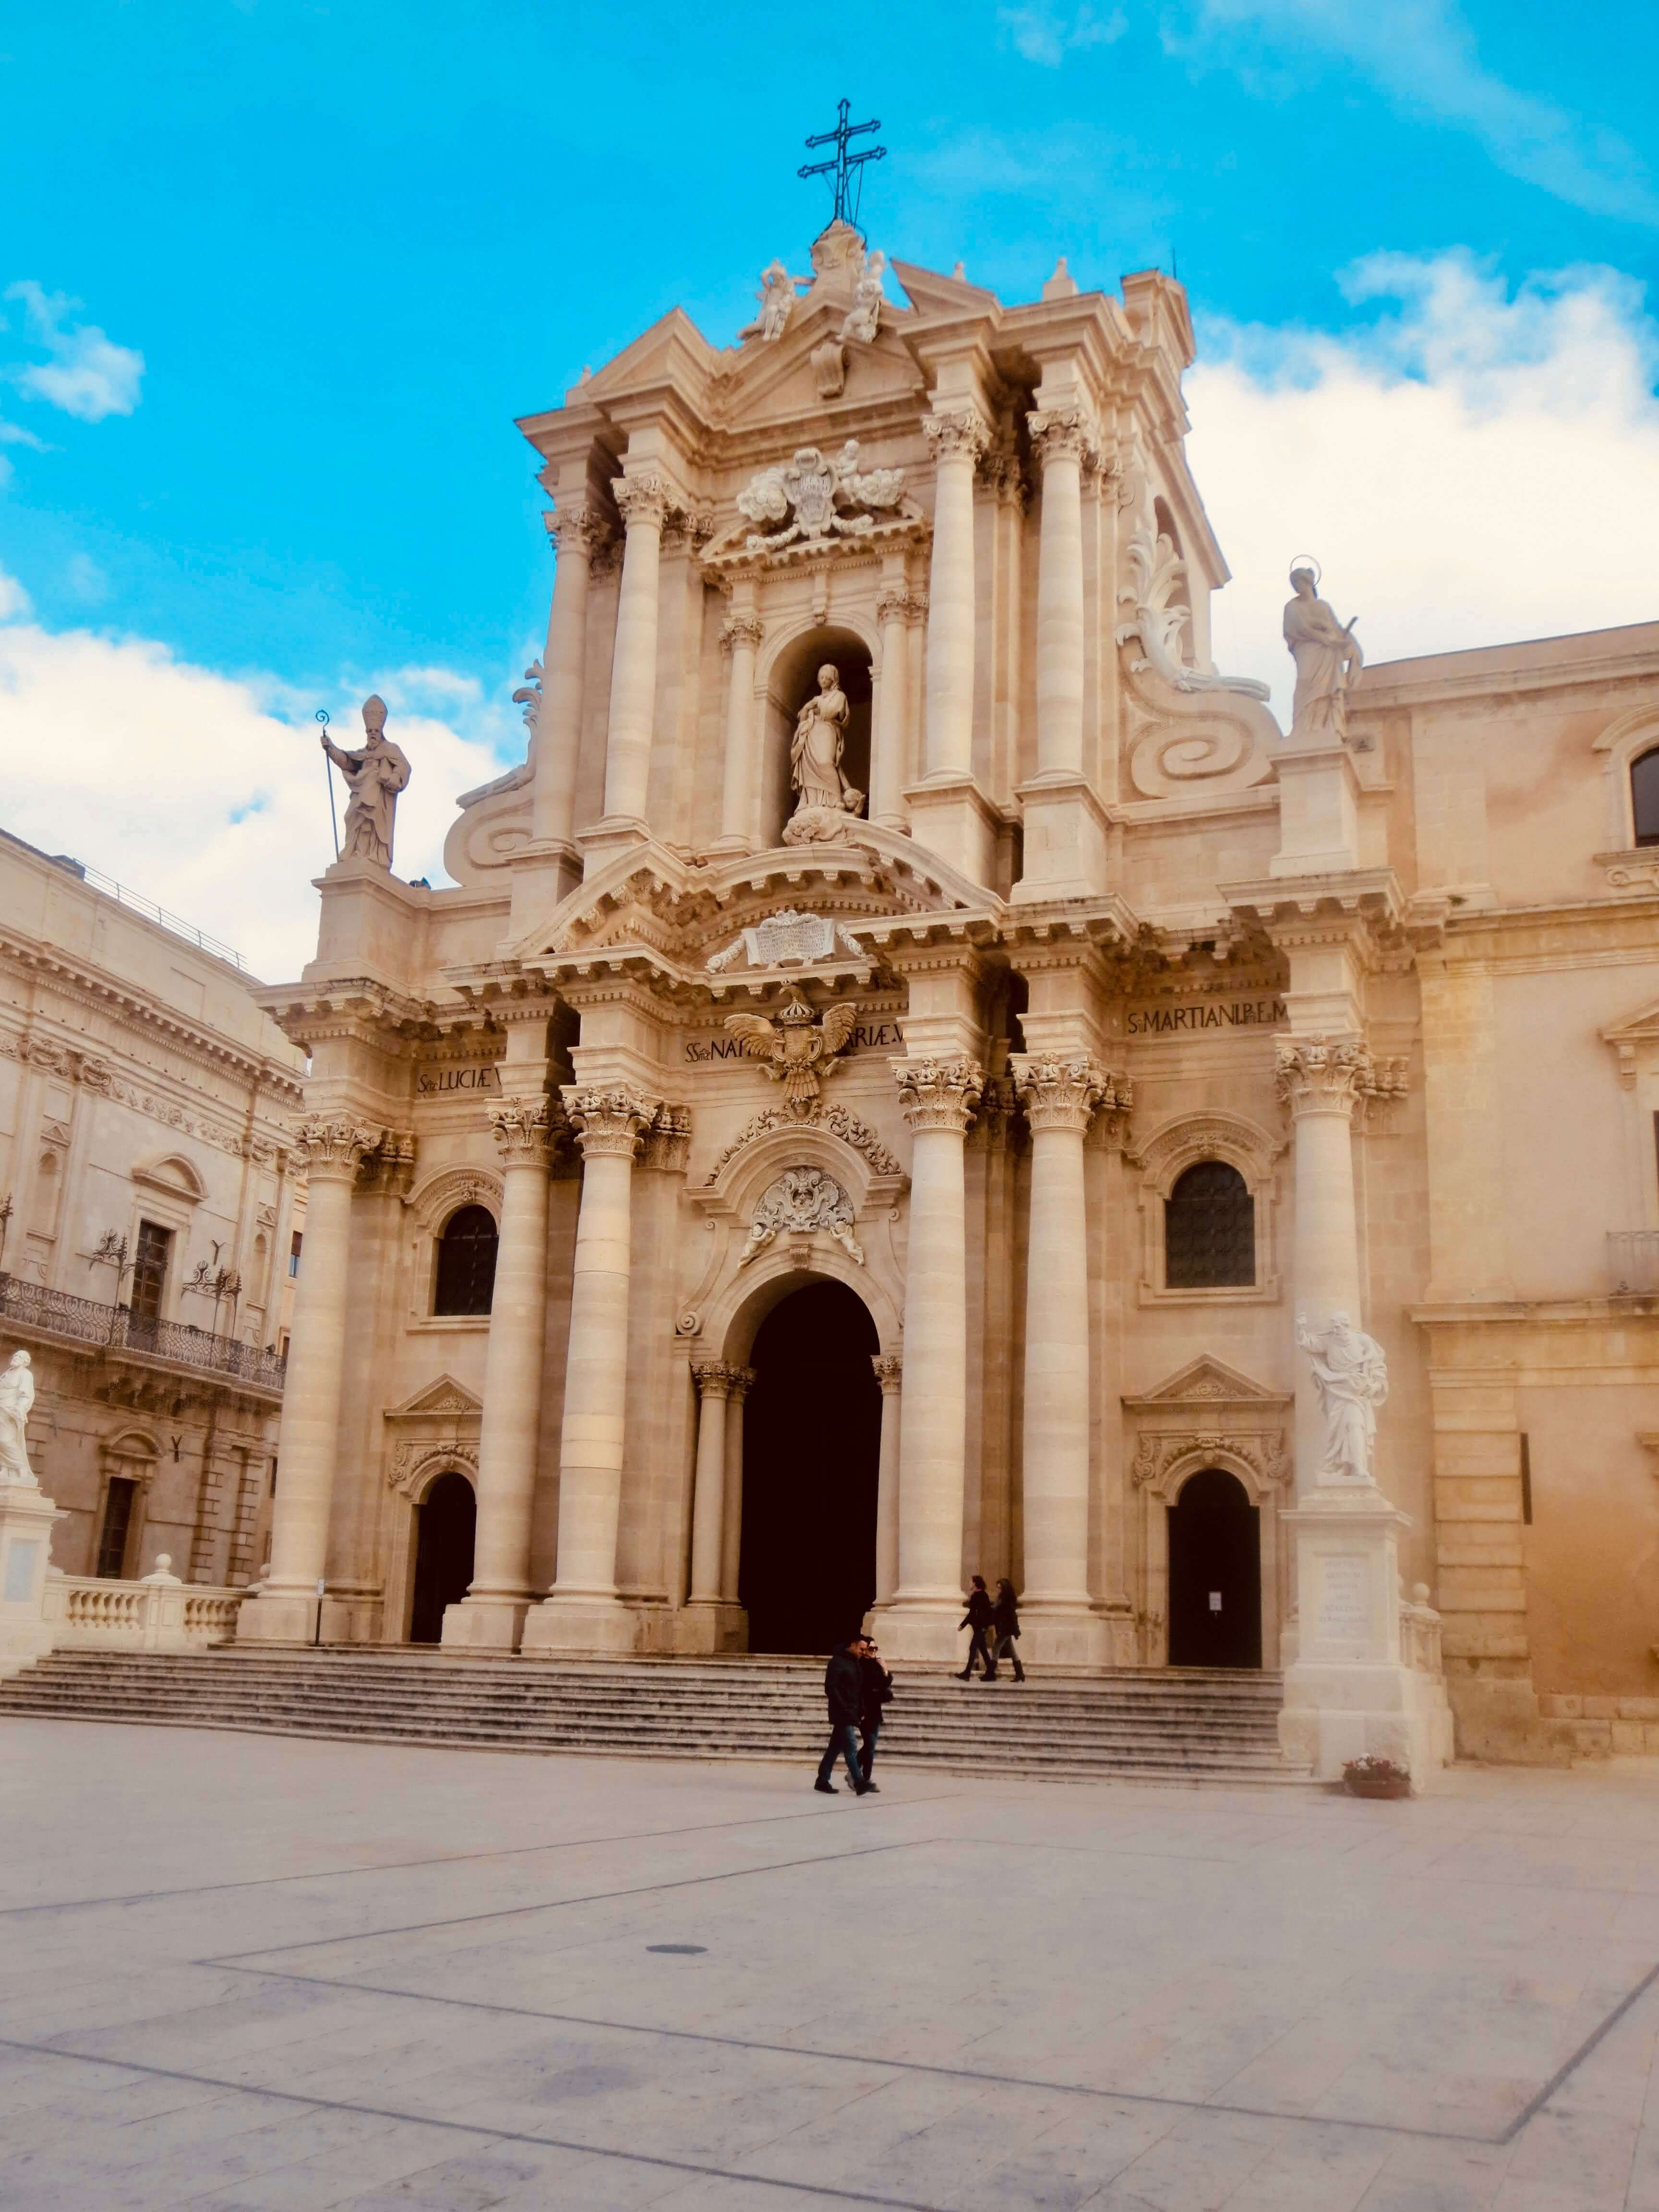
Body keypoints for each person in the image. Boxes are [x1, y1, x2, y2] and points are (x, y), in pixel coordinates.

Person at [815, 1633, 871, 1794]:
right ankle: (859, 1782)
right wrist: (845, 1707)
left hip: (851, 1712)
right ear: (853, 1645)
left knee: (835, 1748)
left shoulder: (855, 1663)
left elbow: (858, 1690)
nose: (863, 1652)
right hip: (841, 1713)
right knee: (851, 1745)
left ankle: (822, 1780)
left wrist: (861, 1709)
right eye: (862, 1649)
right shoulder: (837, 1662)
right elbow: (831, 1688)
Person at [857, 1637, 894, 1789]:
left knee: (871, 1747)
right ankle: (857, 1773)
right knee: (870, 1745)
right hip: (865, 1710)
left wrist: (885, 1669)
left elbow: (886, 1683)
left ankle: (865, 1777)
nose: (873, 1651)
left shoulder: (876, 1664)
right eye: (871, 1649)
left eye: (875, 1649)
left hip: (875, 1710)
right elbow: (871, 1686)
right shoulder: (861, 1665)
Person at [957, 1576, 994, 1681]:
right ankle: (991, 1673)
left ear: (975, 1583)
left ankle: (967, 1673)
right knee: (983, 1650)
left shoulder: (980, 1596)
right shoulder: (979, 1596)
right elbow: (973, 1614)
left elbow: (984, 1613)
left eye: (971, 1582)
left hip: (980, 1628)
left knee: (973, 1648)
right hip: (979, 1627)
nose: (970, 1584)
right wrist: (963, 1625)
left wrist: (984, 1626)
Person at [987, 1577, 1025, 1683]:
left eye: (1000, 1588)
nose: (998, 1590)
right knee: (1012, 1651)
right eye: (998, 1588)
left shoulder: (1006, 1601)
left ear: (1005, 1589)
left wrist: (1015, 1630)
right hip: (1005, 1629)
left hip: (1006, 1629)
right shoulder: (1002, 1599)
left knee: (996, 1648)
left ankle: (991, 1674)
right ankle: (1020, 1674)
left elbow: (1012, 1617)